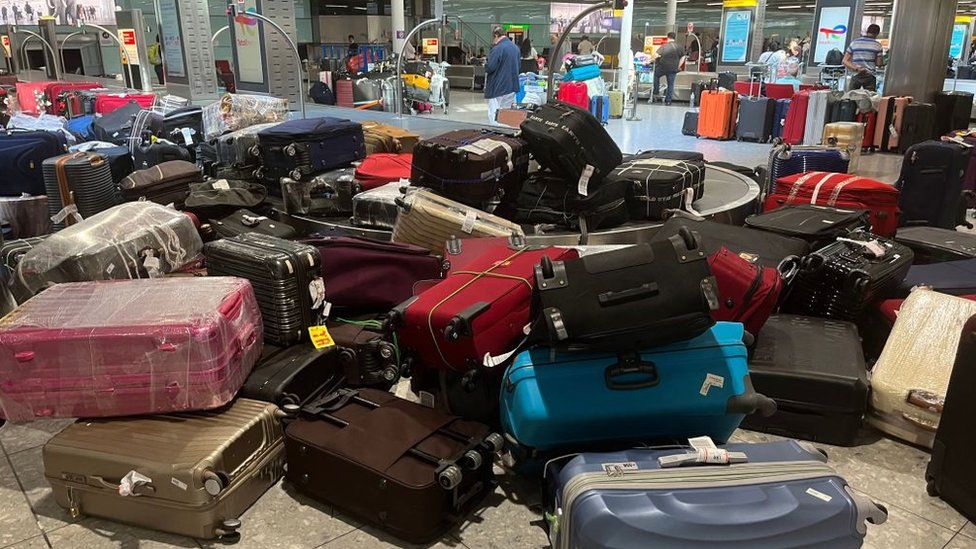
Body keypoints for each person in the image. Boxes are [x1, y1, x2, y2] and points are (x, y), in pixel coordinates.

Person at [484, 25, 520, 124]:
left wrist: (485, 65)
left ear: (496, 35)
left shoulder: (498, 48)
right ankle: (504, 132)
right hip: (512, 86)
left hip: (498, 87)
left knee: (494, 113)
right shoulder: (515, 48)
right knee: (506, 112)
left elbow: (491, 67)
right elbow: (518, 65)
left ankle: (496, 133)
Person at [844, 24, 884, 90]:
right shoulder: (877, 45)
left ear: (867, 31)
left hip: (856, 74)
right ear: (877, 33)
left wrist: (856, 69)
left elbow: (845, 61)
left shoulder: (855, 42)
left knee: (852, 98)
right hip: (870, 75)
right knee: (869, 98)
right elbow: (879, 64)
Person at [653, 32, 681, 105]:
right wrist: (678, 66)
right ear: (674, 38)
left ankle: (656, 92)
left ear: (668, 37)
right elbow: (683, 57)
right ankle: (668, 101)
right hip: (673, 69)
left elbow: (656, 55)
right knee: (671, 84)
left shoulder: (664, 46)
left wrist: (650, 59)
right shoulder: (678, 47)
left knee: (655, 75)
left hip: (663, 67)